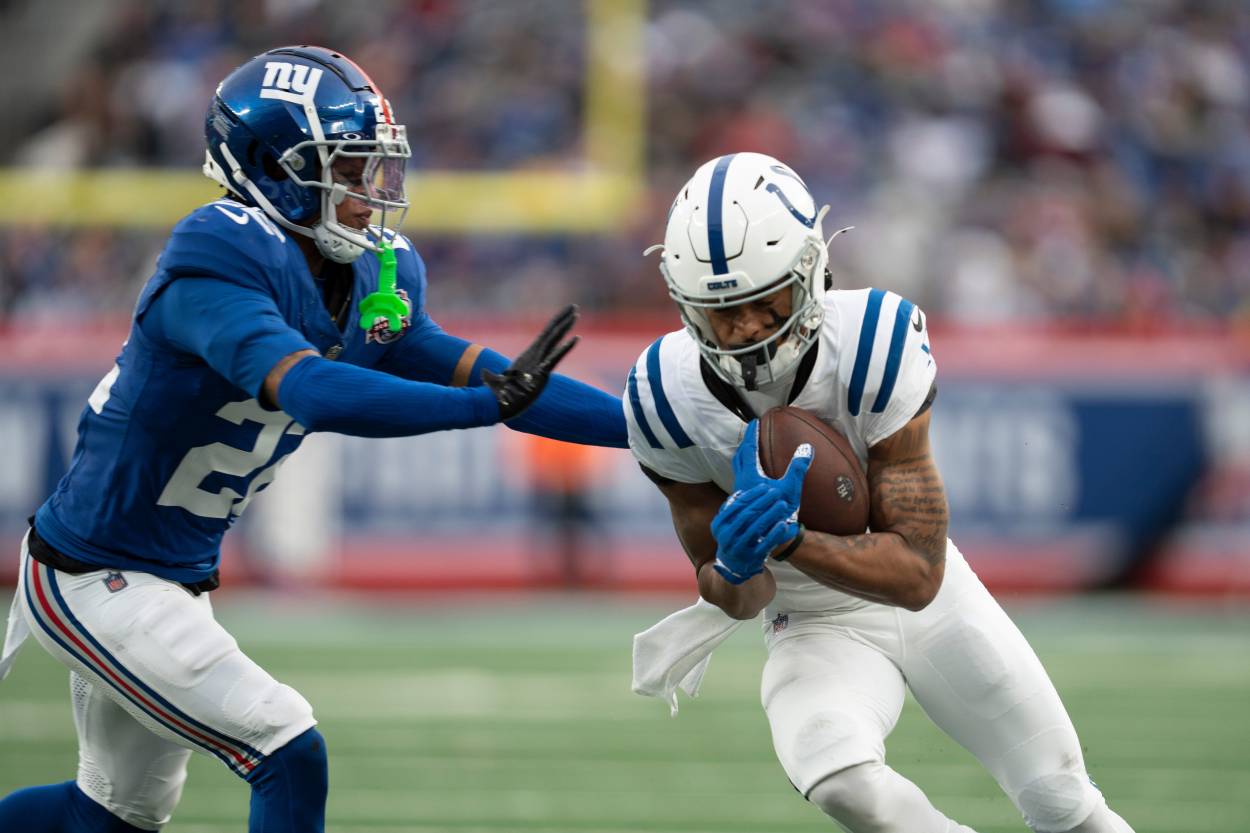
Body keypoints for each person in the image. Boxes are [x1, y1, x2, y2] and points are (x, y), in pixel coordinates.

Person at [0, 46, 627, 833]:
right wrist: (481, 410)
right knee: (285, 743)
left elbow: (495, 376)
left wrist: (649, 430)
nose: (370, 193)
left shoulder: (372, 273)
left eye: (374, 168)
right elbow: (310, 389)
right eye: (349, 168)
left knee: (111, 819)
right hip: (92, 573)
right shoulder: (219, 255)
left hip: (173, 575)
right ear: (272, 169)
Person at [625, 152, 1135, 833]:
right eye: (723, 312)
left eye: (762, 301)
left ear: (809, 271)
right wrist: (737, 564)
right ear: (687, 307)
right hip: (810, 620)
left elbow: (920, 573)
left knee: (1062, 799)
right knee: (837, 777)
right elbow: (738, 599)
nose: (746, 327)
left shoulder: (873, 341)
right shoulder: (666, 392)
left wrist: (793, 540)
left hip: (926, 599)